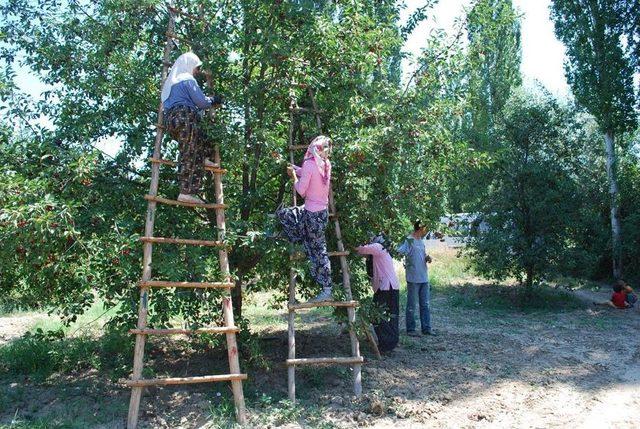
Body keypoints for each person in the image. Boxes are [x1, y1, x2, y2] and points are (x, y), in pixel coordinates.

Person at [277, 136, 333, 303]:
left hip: (311, 214)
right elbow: (309, 173)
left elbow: (301, 190)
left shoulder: (310, 164)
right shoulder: (325, 163)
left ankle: (327, 288)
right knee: (317, 246)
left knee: (318, 251)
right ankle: (302, 236)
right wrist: (294, 168)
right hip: (321, 213)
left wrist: (294, 177)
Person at [161, 52, 223, 204]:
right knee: (189, 153)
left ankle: (205, 157)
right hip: (185, 117)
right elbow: (201, 102)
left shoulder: (171, 83)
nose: (196, 71)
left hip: (172, 121)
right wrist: (214, 100)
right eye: (196, 68)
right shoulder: (187, 80)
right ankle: (186, 191)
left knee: (196, 141)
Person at [356, 233, 400, 353]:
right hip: (390, 286)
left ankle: (389, 340)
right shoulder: (382, 250)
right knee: (392, 314)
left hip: (386, 287)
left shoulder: (378, 247)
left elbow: (360, 249)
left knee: (375, 315)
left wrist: (353, 244)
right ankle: (389, 342)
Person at [397, 220, 434, 336]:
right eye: (425, 228)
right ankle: (411, 329)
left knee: (425, 304)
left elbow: (421, 255)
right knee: (412, 304)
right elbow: (400, 251)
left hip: (424, 277)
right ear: (421, 228)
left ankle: (426, 328)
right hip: (413, 278)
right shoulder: (409, 239)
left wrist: (427, 257)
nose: (426, 231)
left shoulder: (421, 241)